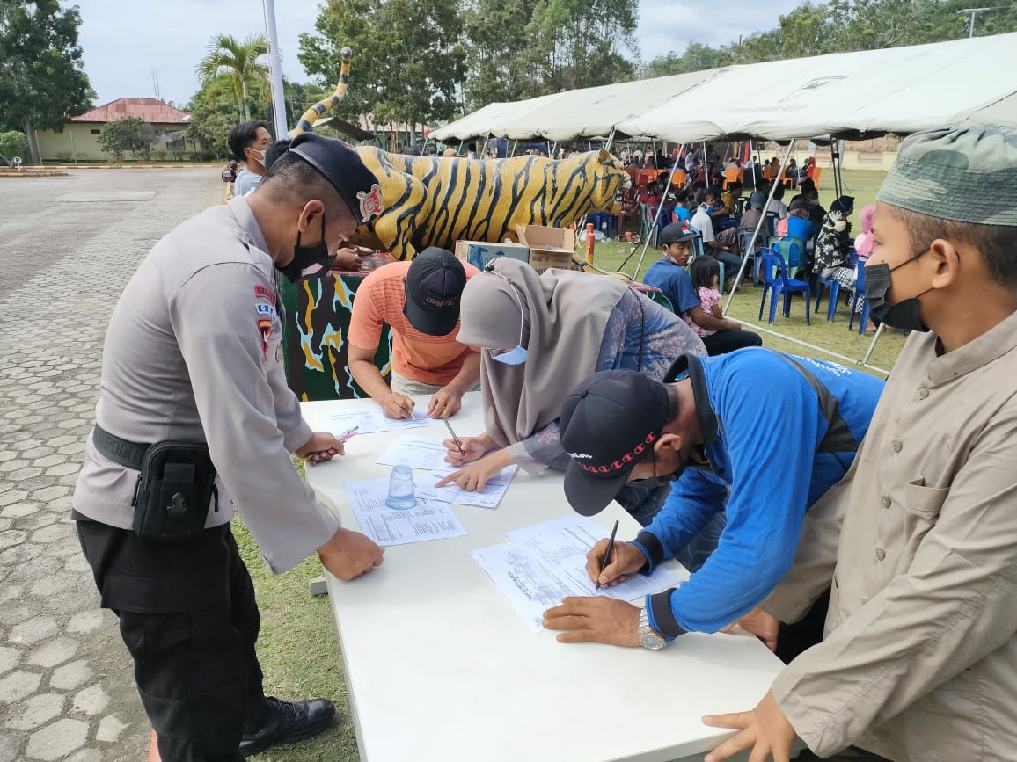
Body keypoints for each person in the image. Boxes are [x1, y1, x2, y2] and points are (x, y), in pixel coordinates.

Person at [701, 125, 1017, 762]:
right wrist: (778, 601)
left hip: (954, 733)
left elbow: (961, 594)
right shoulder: (926, 347)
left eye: (881, 242)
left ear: (941, 262)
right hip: (863, 701)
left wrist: (802, 701)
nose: (865, 254)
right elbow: (861, 494)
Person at [71, 133, 387, 761]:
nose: (336, 254)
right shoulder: (224, 272)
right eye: (339, 237)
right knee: (193, 695)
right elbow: (241, 435)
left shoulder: (243, 247)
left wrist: (300, 435)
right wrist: (328, 538)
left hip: (184, 497)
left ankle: (250, 718)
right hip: (146, 520)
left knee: (234, 619)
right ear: (310, 215)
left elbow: (261, 366)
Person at [542, 347, 883, 649]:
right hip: (830, 506)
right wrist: (645, 547)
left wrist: (646, 621)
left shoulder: (755, 393)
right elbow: (697, 493)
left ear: (667, 445)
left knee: (803, 636)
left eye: (630, 479)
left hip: (887, 502)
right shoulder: (690, 404)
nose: (638, 484)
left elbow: (757, 550)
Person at [437, 258, 705, 525]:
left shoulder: (591, 318)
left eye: (501, 347)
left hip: (671, 385)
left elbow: (587, 418)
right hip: (623, 386)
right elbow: (541, 395)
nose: (496, 356)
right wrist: (490, 439)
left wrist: (499, 460)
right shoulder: (531, 314)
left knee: (644, 491)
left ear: (525, 324)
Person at [348, 248, 480, 419]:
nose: (432, 333)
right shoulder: (376, 288)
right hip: (411, 375)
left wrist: (458, 387)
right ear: (404, 284)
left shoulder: (478, 291)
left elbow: (482, 352)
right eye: (423, 315)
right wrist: (386, 398)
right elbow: (359, 359)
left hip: (467, 376)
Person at [643, 226, 759, 356]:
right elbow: (700, 319)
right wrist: (730, 325)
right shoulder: (679, 275)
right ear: (665, 248)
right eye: (681, 248)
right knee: (752, 339)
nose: (686, 252)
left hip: (655, 337)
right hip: (679, 341)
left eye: (689, 247)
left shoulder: (651, 270)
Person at [815, 195, 858, 295]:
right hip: (831, 269)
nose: (853, 208)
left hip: (823, 266)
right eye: (851, 206)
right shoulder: (839, 225)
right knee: (859, 280)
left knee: (857, 275)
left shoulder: (829, 219)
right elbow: (843, 245)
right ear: (845, 208)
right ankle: (856, 303)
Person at [228, 120, 272, 197]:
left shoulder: (245, 174)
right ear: (248, 152)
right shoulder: (252, 182)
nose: (272, 146)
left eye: (271, 141)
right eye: (264, 143)